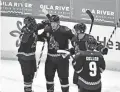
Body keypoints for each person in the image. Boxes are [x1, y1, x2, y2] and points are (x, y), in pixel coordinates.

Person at [38, 14, 75, 92]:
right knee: (49, 77)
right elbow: (41, 37)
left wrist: (73, 49)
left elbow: (75, 40)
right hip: (50, 59)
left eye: (54, 23)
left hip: (62, 59)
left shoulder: (65, 30)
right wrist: (34, 33)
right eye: (51, 23)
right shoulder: (47, 29)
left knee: (64, 78)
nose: (53, 25)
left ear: (58, 23)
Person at [16, 16, 48, 92]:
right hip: (24, 56)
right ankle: (27, 90)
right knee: (27, 75)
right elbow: (25, 39)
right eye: (32, 23)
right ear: (27, 24)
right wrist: (40, 36)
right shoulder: (25, 30)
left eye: (34, 22)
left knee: (32, 73)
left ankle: (29, 88)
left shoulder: (34, 28)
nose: (34, 24)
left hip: (31, 56)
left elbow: (37, 33)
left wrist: (45, 23)